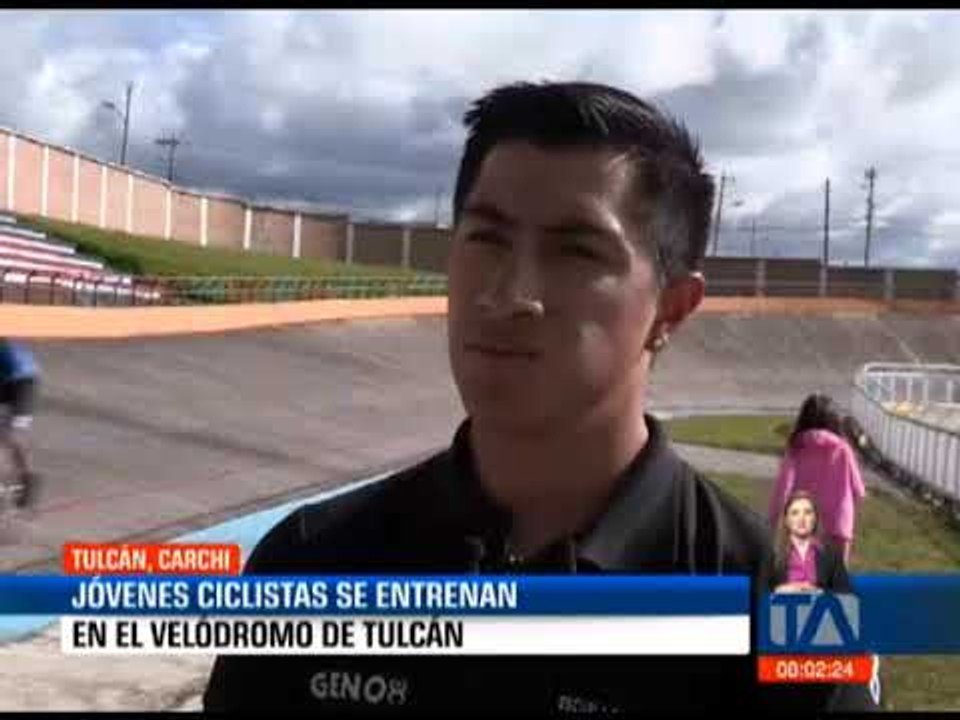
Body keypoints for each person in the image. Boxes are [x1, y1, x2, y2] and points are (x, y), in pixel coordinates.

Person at [204, 82, 879, 714]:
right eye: (486, 239)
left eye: (576, 253)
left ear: (671, 309)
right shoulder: (308, 562)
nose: (508, 293)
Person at [769, 394, 867, 565]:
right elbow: (858, 490)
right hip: (838, 526)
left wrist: (772, 520)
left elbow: (782, 489)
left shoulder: (796, 448)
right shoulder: (843, 449)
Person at [763, 490, 851, 594]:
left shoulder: (831, 552)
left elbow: (845, 591)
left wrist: (820, 592)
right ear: (786, 520)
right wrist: (780, 590)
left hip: (820, 608)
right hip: (782, 607)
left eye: (808, 512)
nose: (802, 519)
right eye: (795, 513)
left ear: (815, 518)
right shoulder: (772, 552)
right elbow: (759, 591)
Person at [0, 338, 40, 509]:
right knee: (9, 436)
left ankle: (28, 479)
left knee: (10, 436)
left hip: (23, 384)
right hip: (12, 381)